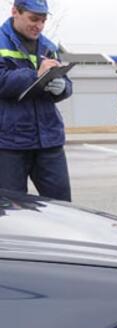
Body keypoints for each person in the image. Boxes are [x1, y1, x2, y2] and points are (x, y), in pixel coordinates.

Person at [0, 0, 73, 201]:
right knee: (11, 212)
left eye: (43, 20)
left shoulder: (48, 46)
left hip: (49, 142)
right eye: (33, 19)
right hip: (9, 144)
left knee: (62, 208)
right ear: (15, 11)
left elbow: (64, 82)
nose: (39, 26)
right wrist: (35, 75)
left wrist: (62, 88)